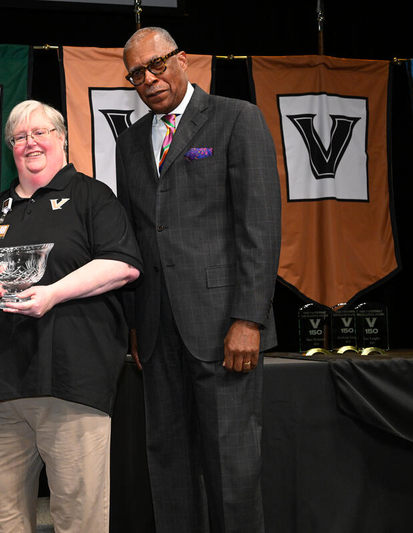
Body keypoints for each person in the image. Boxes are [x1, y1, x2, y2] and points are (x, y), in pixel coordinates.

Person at [115, 27, 282, 533]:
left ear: (183, 60)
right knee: (169, 465)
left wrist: (248, 318)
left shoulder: (236, 119)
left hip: (223, 327)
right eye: (136, 74)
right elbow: (140, 236)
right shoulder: (129, 141)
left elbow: (260, 225)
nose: (149, 79)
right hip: (159, 329)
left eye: (158, 65)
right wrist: (137, 324)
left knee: (232, 469)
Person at [0, 100, 142, 533]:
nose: (30, 142)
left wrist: (52, 294)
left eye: (40, 133)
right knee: (3, 516)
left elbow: (123, 265)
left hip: (71, 382)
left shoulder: (93, 197)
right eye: (19, 137)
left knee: (78, 516)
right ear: (10, 148)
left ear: (61, 139)